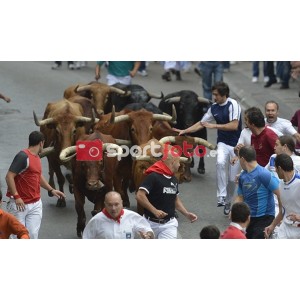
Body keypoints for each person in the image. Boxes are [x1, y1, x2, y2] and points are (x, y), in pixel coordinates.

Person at [174, 81, 242, 213]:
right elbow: (201, 123)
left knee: (232, 179)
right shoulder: (214, 107)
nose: (214, 97)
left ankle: (228, 202)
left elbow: (234, 125)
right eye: (213, 94)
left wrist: (215, 126)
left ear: (224, 95)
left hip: (236, 145)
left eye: (216, 95)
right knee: (220, 162)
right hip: (222, 142)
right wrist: (185, 131)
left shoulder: (233, 104)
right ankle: (221, 196)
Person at [5, 131, 65, 239]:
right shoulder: (22, 156)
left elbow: (37, 176)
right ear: (41, 143)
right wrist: (17, 196)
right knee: (17, 237)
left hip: (36, 204)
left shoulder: (37, 157)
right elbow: (9, 176)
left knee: (32, 235)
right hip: (19, 205)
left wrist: (51, 190)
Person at [135, 146, 198, 239]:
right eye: (178, 162)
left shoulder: (173, 179)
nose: (179, 165)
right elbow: (139, 195)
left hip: (169, 224)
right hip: (149, 224)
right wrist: (154, 211)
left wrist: (186, 213)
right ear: (173, 162)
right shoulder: (153, 176)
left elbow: (175, 199)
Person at [235, 146, 282, 239]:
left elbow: (280, 193)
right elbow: (240, 196)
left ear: (243, 159)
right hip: (248, 218)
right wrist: (234, 210)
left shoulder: (264, 174)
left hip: (264, 218)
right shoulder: (242, 176)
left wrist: (280, 215)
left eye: (238, 158)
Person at [82, 191, 154, 239]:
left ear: (122, 203)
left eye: (116, 204)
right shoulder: (96, 221)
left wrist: (148, 235)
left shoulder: (132, 217)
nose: (113, 208)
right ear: (105, 205)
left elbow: (147, 229)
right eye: (110, 205)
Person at [264, 154, 300, 239]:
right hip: (285, 228)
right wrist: (272, 225)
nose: (275, 171)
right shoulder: (280, 184)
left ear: (280, 168)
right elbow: (283, 210)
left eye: (276, 168)